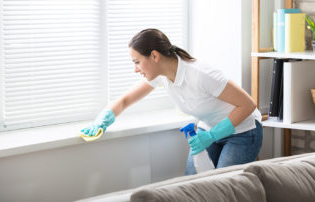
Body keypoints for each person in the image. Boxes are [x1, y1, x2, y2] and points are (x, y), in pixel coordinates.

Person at [81, 28, 263, 175]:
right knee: (190, 187)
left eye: (137, 62)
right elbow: (124, 100)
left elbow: (248, 105)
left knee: (224, 187)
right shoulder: (161, 75)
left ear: (154, 56)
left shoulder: (201, 75)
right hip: (207, 130)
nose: (135, 69)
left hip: (242, 132)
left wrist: (213, 135)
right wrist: (102, 121)